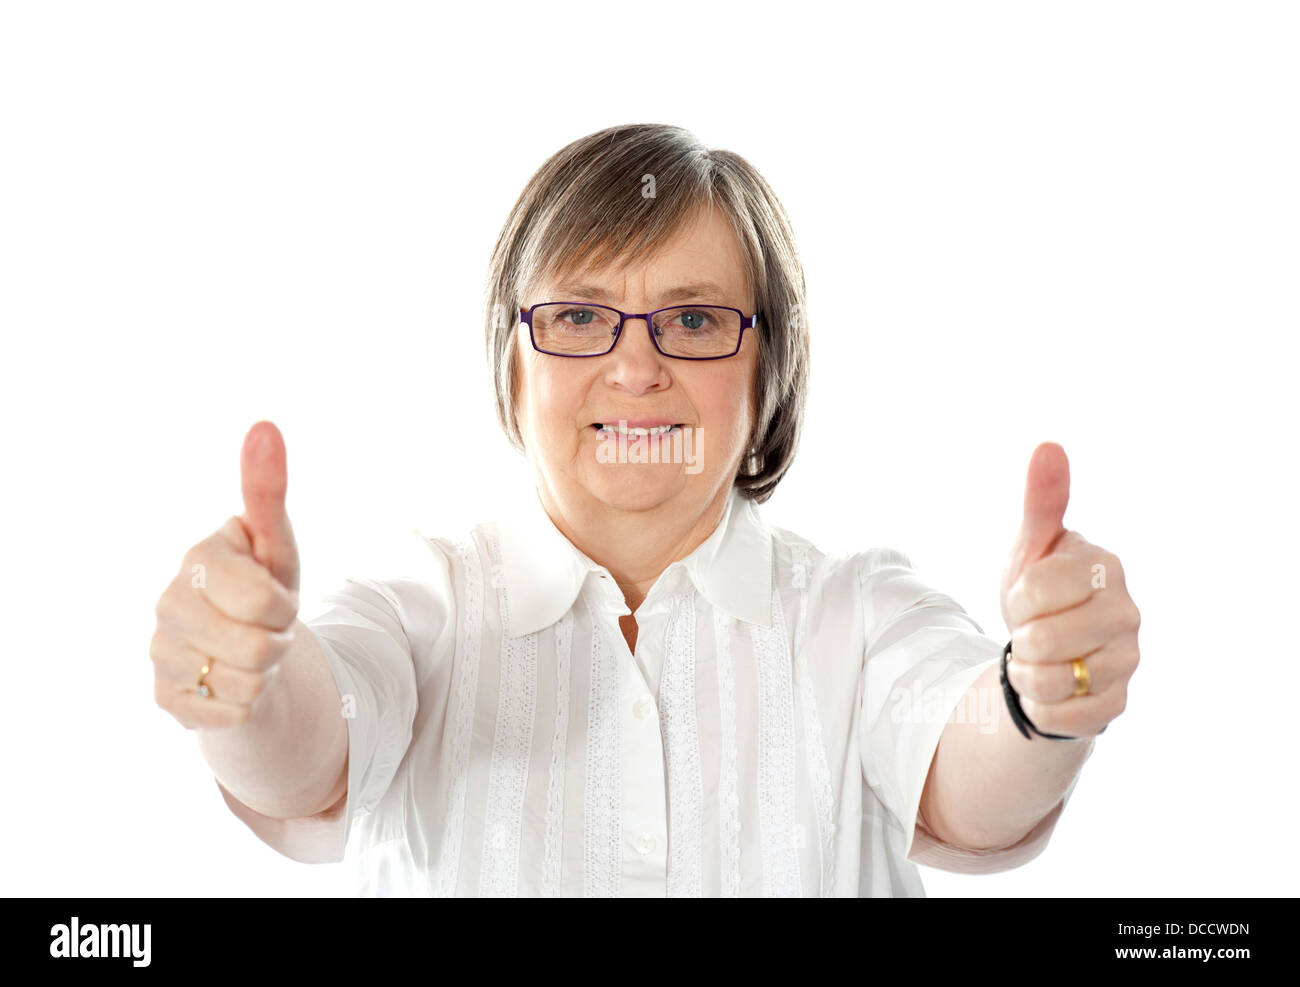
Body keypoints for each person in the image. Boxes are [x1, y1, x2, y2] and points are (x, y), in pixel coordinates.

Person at [149, 123, 1141, 896]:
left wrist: (1037, 698)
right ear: (512, 362)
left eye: (694, 319)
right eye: (577, 315)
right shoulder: (420, 607)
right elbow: (307, 756)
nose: (634, 367)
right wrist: (249, 681)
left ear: (769, 368)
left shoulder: (861, 613)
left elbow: (971, 783)